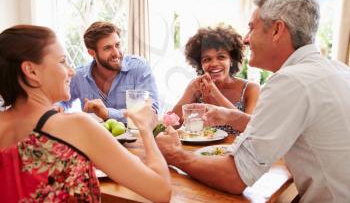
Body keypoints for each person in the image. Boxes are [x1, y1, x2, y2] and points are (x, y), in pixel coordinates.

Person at [156, 0, 350, 203]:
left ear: (277, 30)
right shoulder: (339, 70)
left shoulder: (290, 81)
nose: (246, 39)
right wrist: (231, 116)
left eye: (251, 28)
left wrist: (174, 155)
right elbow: (276, 128)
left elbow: (234, 177)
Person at [0, 25, 171, 202]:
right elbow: (161, 191)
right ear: (31, 71)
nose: (71, 71)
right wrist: (144, 127)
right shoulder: (76, 126)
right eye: (62, 61)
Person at [60, 21, 160, 124]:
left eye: (117, 45)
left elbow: (152, 112)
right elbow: (61, 100)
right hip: (93, 139)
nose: (116, 53)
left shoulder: (139, 68)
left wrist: (108, 113)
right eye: (107, 48)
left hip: (136, 138)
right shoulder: (80, 76)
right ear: (92, 53)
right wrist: (58, 107)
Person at [172, 25, 260, 134]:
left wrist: (215, 93)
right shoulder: (196, 87)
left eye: (221, 57)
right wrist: (191, 90)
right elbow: (171, 124)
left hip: (237, 150)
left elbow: (251, 131)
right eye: (207, 59)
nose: (214, 64)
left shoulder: (251, 89)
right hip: (198, 150)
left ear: (231, 60)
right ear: (200, 64)